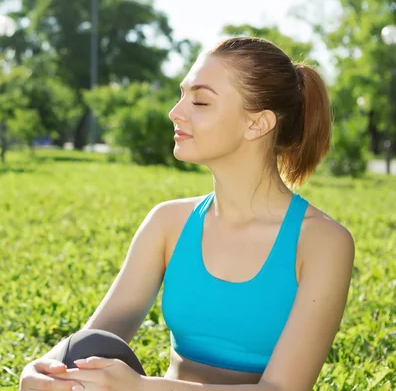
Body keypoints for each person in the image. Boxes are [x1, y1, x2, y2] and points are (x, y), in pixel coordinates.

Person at [18, 36, 355, 391]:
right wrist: (47, 368)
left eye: (200, 101)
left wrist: (141, 388)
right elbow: (97, 337)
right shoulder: (168, 223)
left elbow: (283, 390)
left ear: (257, 124)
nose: (175, 112)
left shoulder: (323, 242)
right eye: (182, 95)